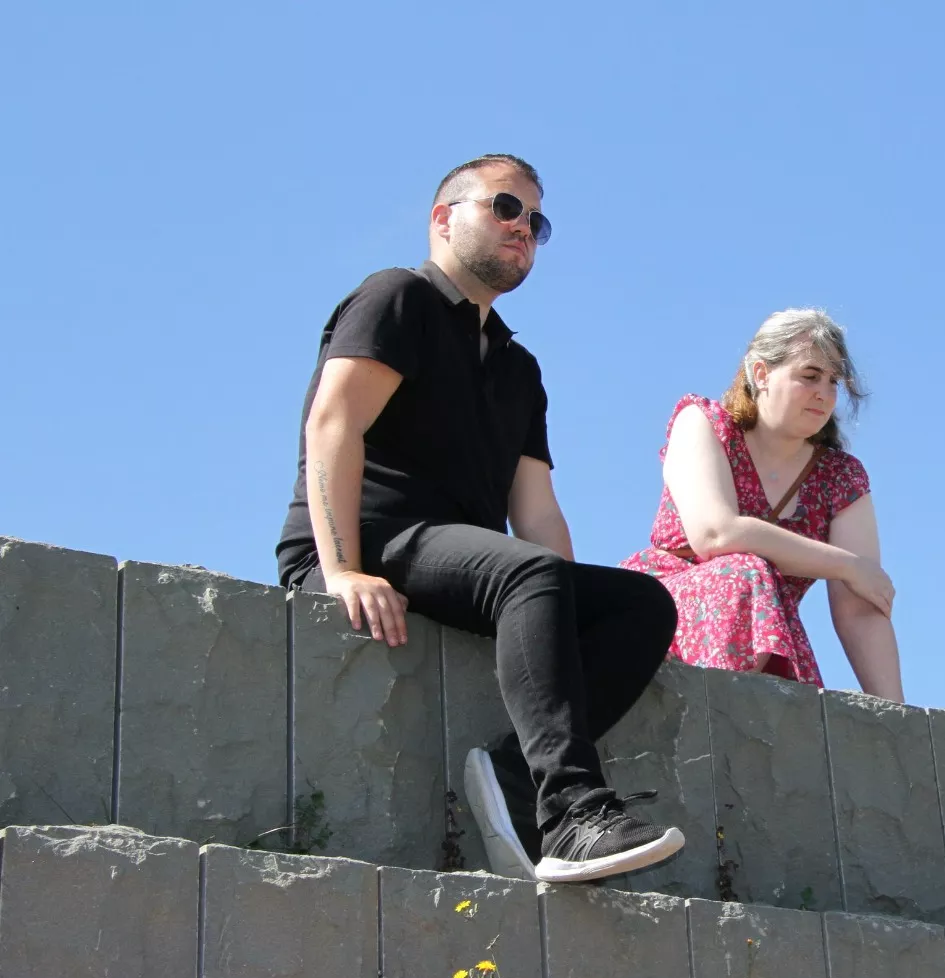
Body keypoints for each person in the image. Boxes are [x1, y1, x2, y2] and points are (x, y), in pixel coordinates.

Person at [275, 153, 683, 883]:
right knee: (529, 574)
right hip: (372, 539)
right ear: (443, 219)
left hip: (464, 559)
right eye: (505, 207)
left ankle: (509, 772)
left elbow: (537, 513)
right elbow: (333, 424)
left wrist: (571, 612)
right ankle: (569, 814)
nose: (523, 227)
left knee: (642, 605)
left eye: (537, 221)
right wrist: (339, 570)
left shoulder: (518, 368)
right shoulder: (397, 297)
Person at [619, 309, 904, 701]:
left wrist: (897, 715)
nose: (824, 393)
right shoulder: (703, 422)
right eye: (809, 376)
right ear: (761, 374)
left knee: (758, 580)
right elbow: (715, 534)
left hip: (767, 641)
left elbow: (860, 605)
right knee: (746, 571)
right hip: (661, 612)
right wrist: (847, 565)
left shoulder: (841, 476)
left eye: (833, 381)